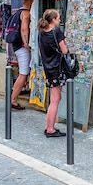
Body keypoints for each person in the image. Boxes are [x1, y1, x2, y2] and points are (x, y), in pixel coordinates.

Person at [37, 8, 69, 137]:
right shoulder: (56, 32)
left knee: (55, 98)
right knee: (55, 100)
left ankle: (49, 126)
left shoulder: (41, 33)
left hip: (48, 68)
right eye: (58, 18)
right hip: (57, 68)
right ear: (53, 20)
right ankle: (50, 129)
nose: (60, 20)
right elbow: (65, 50)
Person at [10, 0, 33, 110]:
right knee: (23, 74)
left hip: (16, 46)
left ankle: (13, 98)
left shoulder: (18, 11)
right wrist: (26, 43)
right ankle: (13, 100)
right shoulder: (25, 13)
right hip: (22, 47)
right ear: (30, 1)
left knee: (23, 73)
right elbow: (24, 29)